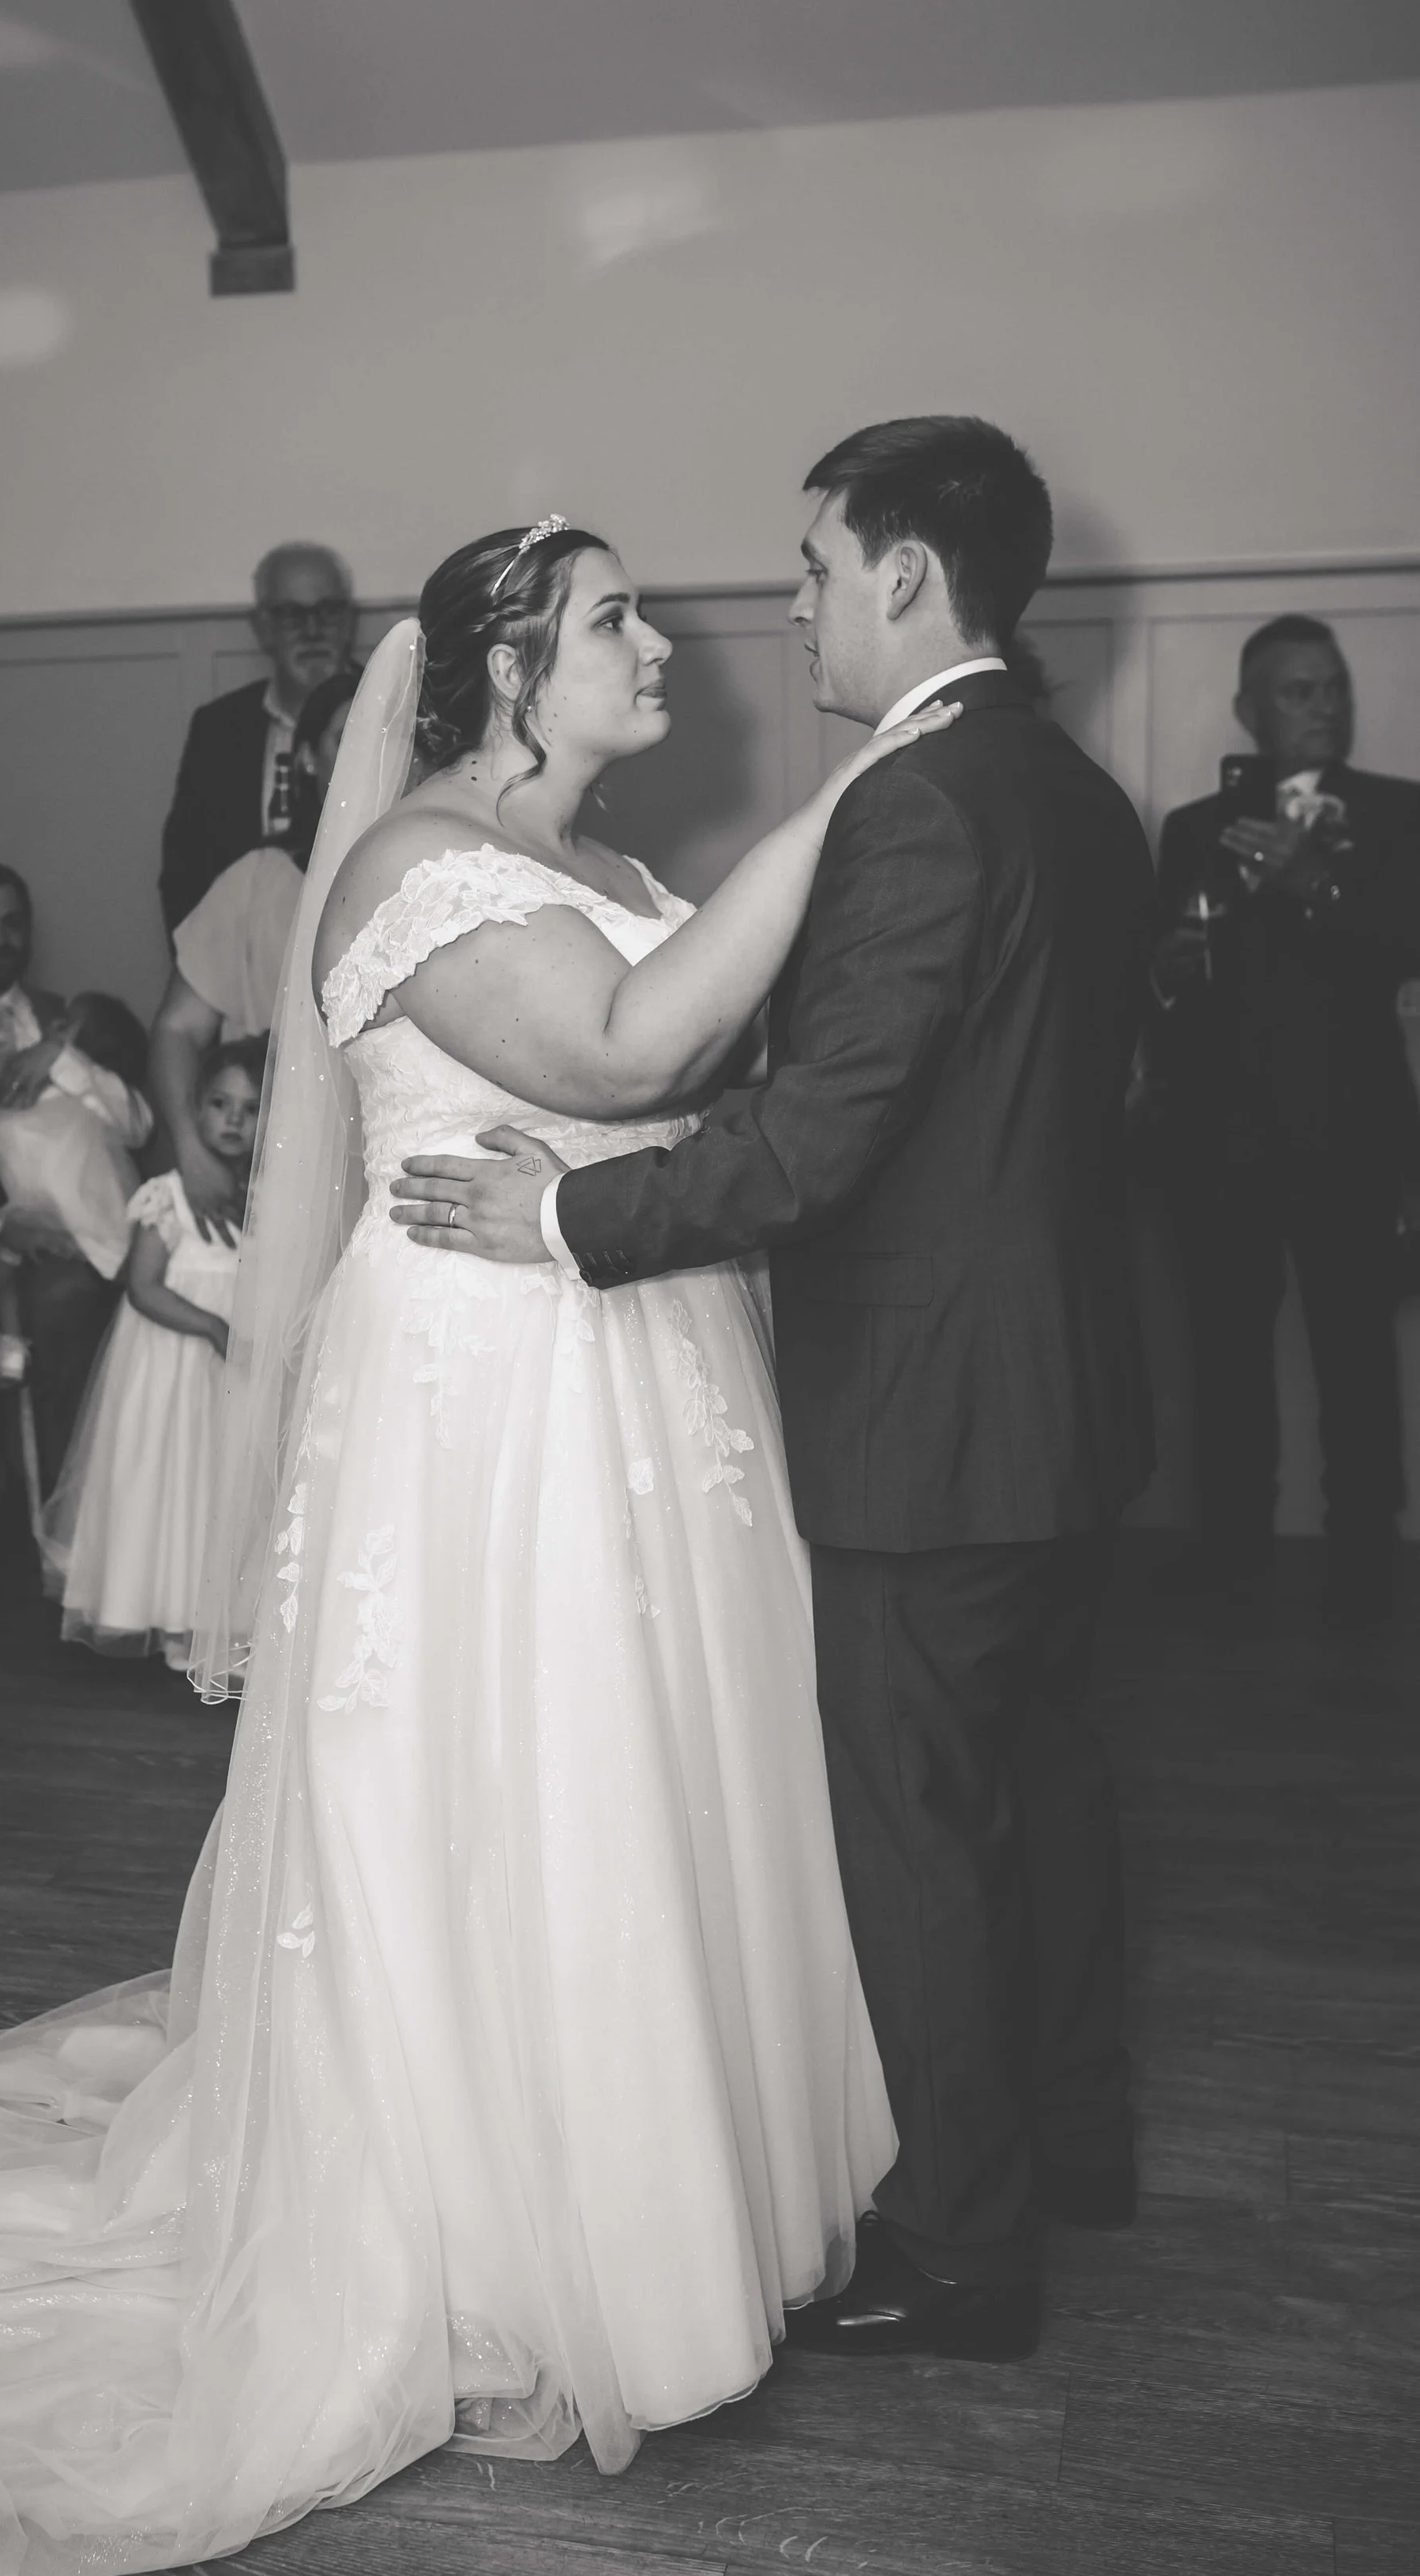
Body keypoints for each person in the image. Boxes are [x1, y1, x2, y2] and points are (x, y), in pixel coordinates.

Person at [0, 514, 960, 2576]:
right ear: (506, 665)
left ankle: (690, 2203)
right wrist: (875, 773)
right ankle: (508, 2247)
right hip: (481, 1394)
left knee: (669, 1766)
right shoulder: (412, 866)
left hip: (652, 1359)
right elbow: (626, 1056)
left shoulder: (614, 868)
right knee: (511, 1774)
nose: (657, 640)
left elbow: (701, 1074)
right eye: (612, 620)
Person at [399, 423, 1159, 2363]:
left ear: (907, 573)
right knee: (1049, 1789)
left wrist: (569, 1212)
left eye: (815, 563)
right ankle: (1078, 2148)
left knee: (915, 1818)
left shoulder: (916, 802)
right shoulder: (1076, 791)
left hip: (930, 1409)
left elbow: (819, 1141)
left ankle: (969, 2247)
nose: (791, 601)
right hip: (1064, 1389)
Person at [1150, 618, 1420, 1627]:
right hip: (1218, 1143)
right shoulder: (1193, 828)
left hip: (1352, 1141)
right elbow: (1158, 971)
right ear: (1249, 713)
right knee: (1225, 1361)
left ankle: (1361, 1564)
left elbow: (1409, 939)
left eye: (1333, 688)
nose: (1325, 708)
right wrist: (1163, 974)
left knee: (1356, 1361)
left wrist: (1318, 883)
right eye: (1300, 692)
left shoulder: (1401, 815)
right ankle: (1229, 1556)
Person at [42, 1036, 265, 1665]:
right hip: (172, 1368)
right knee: (168, 1484)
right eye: (219, 1104)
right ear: (193, 1110)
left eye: (249, 1110)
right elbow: (142, 1287)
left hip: (232, 1380)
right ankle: (166, 1618)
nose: (232, 1119)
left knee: (218, 1490)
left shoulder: (265, 1199)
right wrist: (215, 1328)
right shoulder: (168, 1194)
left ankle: (213, 1620)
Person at [0, 861, 144, 1495]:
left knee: (81, 1297)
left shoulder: (71, 1018)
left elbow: (136, 1125)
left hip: (104, 1227)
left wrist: (64, 1054)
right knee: (53, 1302)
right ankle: (43, 1517)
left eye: (11, 924)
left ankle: (95, 1519)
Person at [149, 667, 359, 1237]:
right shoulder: (257, 880)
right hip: (268, 1165)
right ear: (309, 758)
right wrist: (193, 1151)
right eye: (347, 739)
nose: (369, 756)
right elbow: (178, 1030)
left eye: (382, 740)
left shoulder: (432, 878)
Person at [158, 542, 357, 932]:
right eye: (291, 616)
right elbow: (185, 873)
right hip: (242, 964)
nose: (313, 630)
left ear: (349, 622)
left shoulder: (397, 710)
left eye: (327, 612)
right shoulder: (218, 729)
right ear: (262, 627)